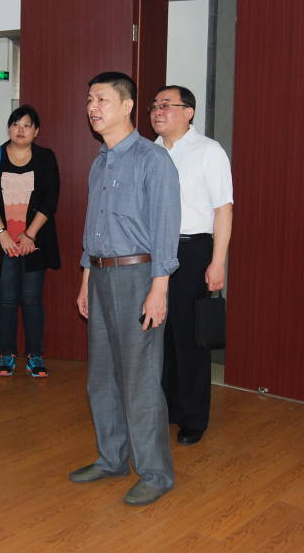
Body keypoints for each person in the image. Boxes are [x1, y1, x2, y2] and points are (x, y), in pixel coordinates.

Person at [71, 72, 181, 507]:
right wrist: (86, 280)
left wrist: (159, 289)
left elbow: (165, 229)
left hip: (139, 277)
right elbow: (92, 227)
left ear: (127, 105)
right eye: (89, 99)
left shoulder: (153, 160)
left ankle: (156, 473)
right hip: (100, 275)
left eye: (101, 99)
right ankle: (112, 458)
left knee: (140, 378)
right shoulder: (100, 162)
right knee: (101, 376)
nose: (92, 107)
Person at [150, 86, 233, 446]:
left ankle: (193, 417)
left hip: (192, 250)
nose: (158, 111)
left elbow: (223, 210)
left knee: (188, 337)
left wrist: (218, 262)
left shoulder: (208, 151)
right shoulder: (150, 151)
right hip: (154, 251)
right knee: (159, 335)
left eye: (166, 105)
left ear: (189, 112)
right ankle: (166, 408)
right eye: (155, 106)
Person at [0, 105, 61, 378]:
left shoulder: (46, 158)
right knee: (7, 299)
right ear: (9, 128)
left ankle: (35, 355)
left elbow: (50, 201)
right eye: (15, 124)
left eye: (27, 125)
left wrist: (30, 234)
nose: (20, 130)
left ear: (36, 131)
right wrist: (2, 234)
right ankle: (7, 354)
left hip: (33, 241)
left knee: (32, 299)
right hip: (3, 242)